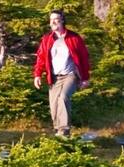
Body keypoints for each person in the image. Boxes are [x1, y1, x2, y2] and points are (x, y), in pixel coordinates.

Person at [32, 10, 90, 138]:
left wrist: (85, 78)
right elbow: (41, 58)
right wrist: (37, 75)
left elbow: (84, 57)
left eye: (56, 19)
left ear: (62, 20)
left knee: (63, 97)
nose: (53, 22)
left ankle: (64, 131)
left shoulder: (74, 38)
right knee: (54, 105)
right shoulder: (47, 39)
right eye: (51, 19)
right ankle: (58, 131)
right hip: (54, 77)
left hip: (70, 75)